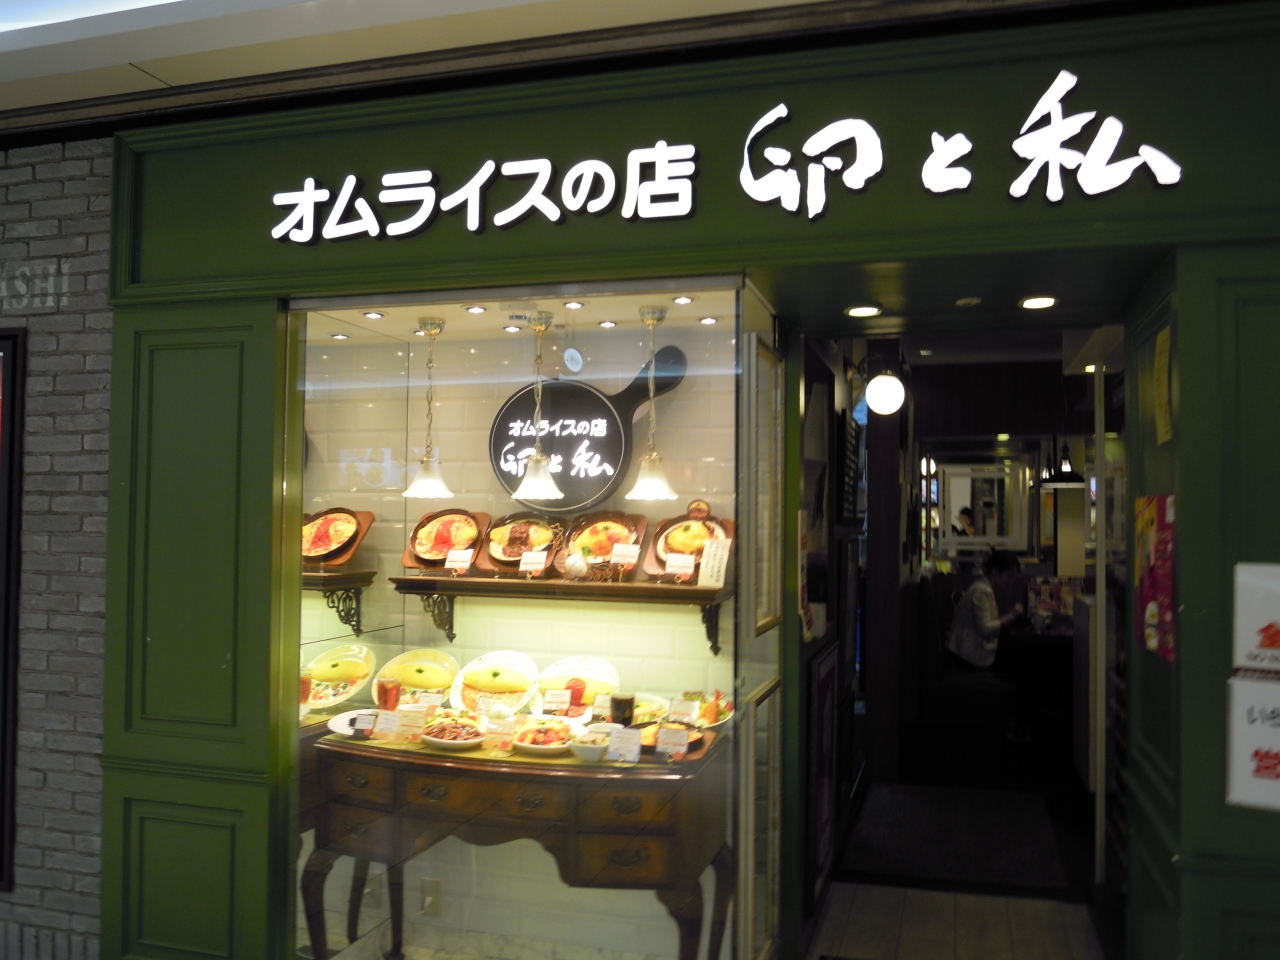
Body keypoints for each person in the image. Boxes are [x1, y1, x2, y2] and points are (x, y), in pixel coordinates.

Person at [946, 549, 1024, 668]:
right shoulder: (982, 591)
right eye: (1009, 576)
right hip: (968, 656)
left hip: (965, 650)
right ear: (995, 572)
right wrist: (1012, 615)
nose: (1011, 582)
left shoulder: (982, 585)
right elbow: (985, 628)